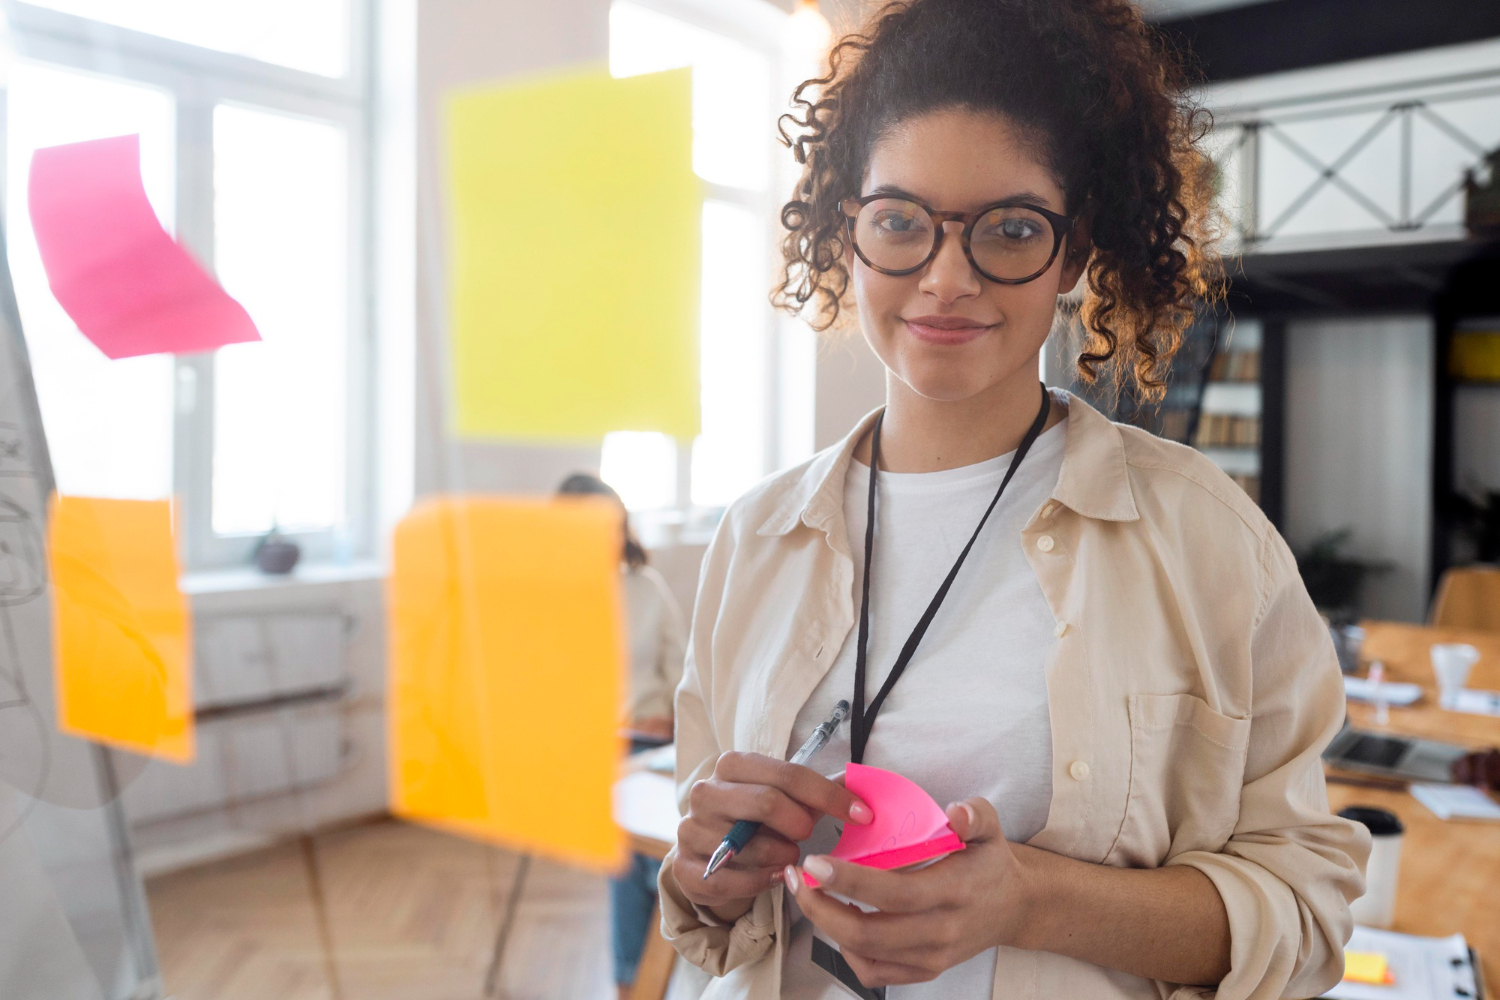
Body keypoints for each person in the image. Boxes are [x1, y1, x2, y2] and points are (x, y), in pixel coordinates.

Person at [656, 2, 1370, 998]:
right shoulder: (757, 536)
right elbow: (711, 908)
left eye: (1010, 229)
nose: (947, 279)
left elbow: (1306, 911)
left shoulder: (1204, 538)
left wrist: (1032, 897)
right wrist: (707, 868)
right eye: (900, 220)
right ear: (846, 232)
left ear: (1073, 255)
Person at [557, 473, 688, 999]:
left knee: (645, 851)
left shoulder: (647, 590)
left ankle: (635, 979)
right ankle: (638, 976)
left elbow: (684, 669)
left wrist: (672, 716)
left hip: (656, 744)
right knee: (642, 855)